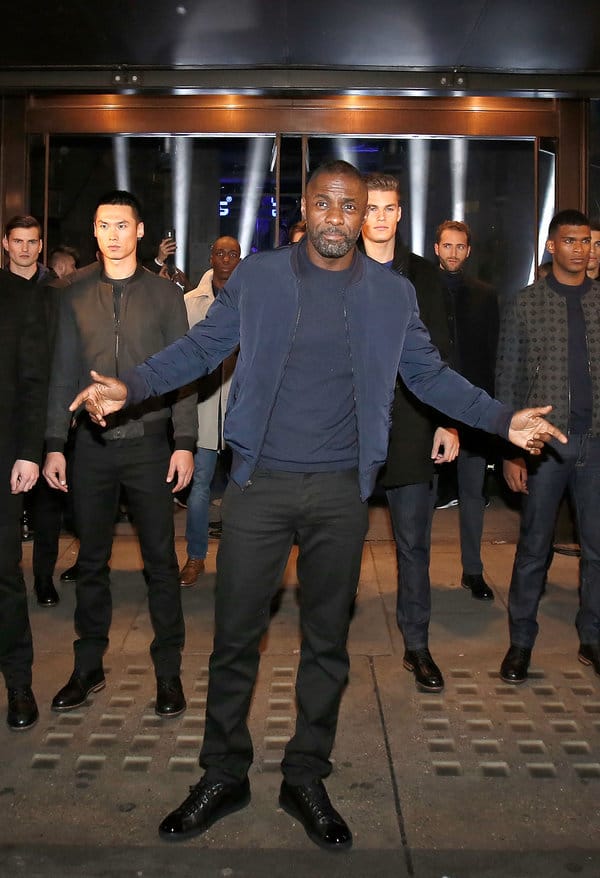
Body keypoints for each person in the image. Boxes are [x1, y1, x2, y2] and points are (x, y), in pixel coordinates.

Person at [70, 161, 565, 852]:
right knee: (236, 638)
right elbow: (202, 347)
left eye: (350, 207)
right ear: (309, 209)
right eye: (325, 205)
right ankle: (223, 773)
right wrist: (130, 387)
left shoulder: (391, 295)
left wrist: (503, 420)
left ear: (365, 216)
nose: (337, 217)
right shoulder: (262, 277)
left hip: (340, 492)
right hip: (258, 487)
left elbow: (430, 376)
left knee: (327, 645)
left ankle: (306, 774)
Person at [43, 190, 196, 718]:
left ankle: (169, 674)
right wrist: (53, 444)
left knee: (160, 563)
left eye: (122, 224)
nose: (113, 234)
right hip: (90, 448)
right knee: (90, 562)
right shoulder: (72, 292)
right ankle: (88, 668)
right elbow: (62, 371)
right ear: (95, 230)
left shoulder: (165, 295)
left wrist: (184, 443)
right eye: (104, 224)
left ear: (139, 231)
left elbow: (183, 375)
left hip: (151, 445)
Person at [359, 173, 455, 692]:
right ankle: (327, 643)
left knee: (415, 545)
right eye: (369, 207)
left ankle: (417, 646)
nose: (378, 217)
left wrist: (446, 421)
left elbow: (439, 354)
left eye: (387, 208)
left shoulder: (424, 276)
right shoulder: (336, 268)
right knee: (334, 544)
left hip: (414, 427)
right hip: (345, 431)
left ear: (399, 213)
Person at [496, 208, 600, 684]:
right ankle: (520, 643)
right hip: (543, 445)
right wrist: (512, 450)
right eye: (571, 240)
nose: (580, 249)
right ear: (552, 247)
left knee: (597, 549)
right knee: (534, 546)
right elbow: (508, 379)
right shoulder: (526, 303)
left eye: (587, 241)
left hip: (596, 444)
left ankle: (592, 637)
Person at [434, 220, 500, 601]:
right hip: (429, 408)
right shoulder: (421, 291)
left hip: (473, 409)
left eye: (460, 246)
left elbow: (492, 352)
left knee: (473, 494)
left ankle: (472, 571)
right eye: (447, 246)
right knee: (421, 496)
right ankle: (416, 576)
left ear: (468, 251)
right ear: (437, 248)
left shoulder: (484, 295)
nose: (454, 252)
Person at [3, 215, 61, 606]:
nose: (24, 248)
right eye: (18, 241)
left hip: (50, 404)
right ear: (5, 243)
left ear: (41, 246)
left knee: (47, 504)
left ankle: (43, 578)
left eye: (32, 242)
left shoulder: (55, 292)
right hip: (10, 412)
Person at [0, 268, 48, 730]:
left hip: (3, 460)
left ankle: (18, 682)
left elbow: (34, 383)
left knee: (4, 576)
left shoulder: (19, 296)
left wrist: (30, 454)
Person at [179, 236, 241, 586]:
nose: (227, 259)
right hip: (202, 408)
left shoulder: (252, 301)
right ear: (211, 256)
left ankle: (237, 559)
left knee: (241, 489)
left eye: (233, 253)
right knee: (200, 486)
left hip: (240, 409)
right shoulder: (191, 303)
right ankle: (195, 556)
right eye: (220, 252)